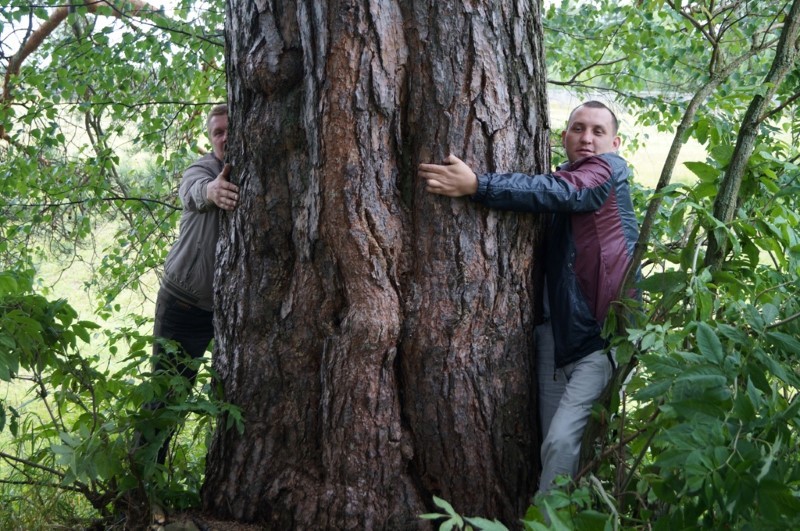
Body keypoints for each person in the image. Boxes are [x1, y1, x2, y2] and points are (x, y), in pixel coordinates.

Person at [417, 101, 639, 493]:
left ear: (616, 143)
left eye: (598, 131)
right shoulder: (565, 178)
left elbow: (566, 193)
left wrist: (477, 185)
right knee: (549, 450)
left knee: (561, 444)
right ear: (564, 136)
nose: (586, 138)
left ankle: (550, 520)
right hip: (554, 340)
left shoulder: (609, 171)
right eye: (577, 128)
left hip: (597, 339)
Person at [148, 103, 239, 465]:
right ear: (210, 139)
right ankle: (143, 491)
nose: (225, 136)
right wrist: (211, 193)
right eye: (217, 132)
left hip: (224, 312)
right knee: (167, 399)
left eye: (229, 128)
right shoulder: (204, 169)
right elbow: (191, 190)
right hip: (183, 306)